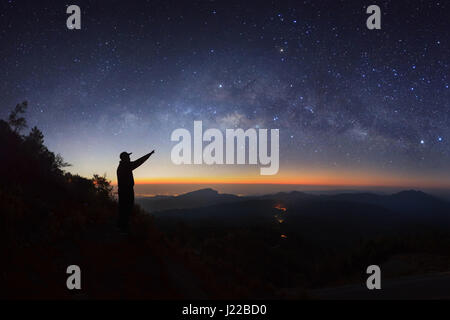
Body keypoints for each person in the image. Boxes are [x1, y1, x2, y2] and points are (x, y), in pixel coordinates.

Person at [117, 150, 154, 233]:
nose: (130, 158)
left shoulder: (122, 166)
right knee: (127, 208)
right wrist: (149, 154)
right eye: (128, 157)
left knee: (123, 208)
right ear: (125, 158)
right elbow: (138, 162)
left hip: (124, 190)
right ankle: (124, 228)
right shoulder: (125, 166)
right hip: (126, 191)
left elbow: (136, 162)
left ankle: (122, 226)